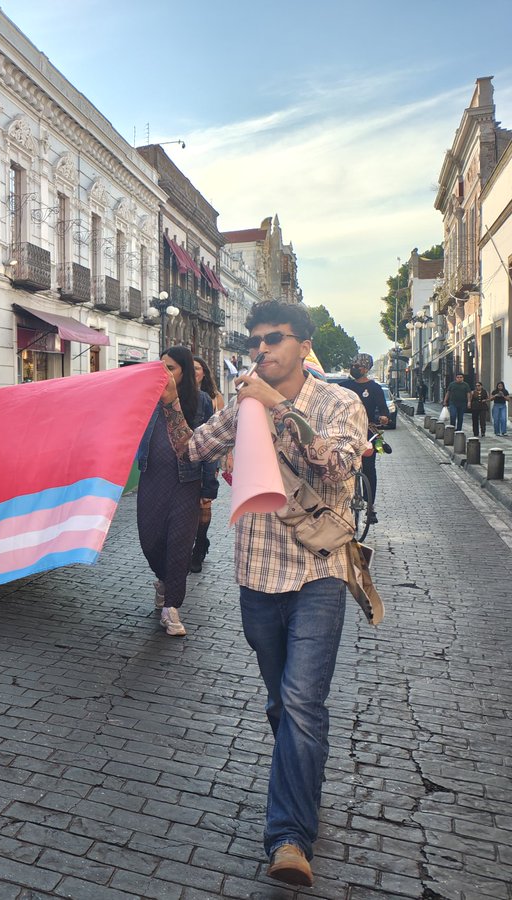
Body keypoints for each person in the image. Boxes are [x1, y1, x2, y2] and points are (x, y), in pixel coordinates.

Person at [156, 301, 368, 887]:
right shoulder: (243, 399)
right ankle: (303, 782)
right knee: (283, 708)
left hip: (318, 574)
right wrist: (173, 406)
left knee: (301, 703)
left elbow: (336, 468)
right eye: (255, 341)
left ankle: (289, 838)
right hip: (256, 577)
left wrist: (277, 407)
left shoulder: (339, 402)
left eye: (274, 339)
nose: (262, 349)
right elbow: (192, 450)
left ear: (304, 345)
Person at [135, 346, 217, 636]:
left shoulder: (201, 401)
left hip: (186, 482)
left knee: (180, 545)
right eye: (161, 367)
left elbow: (209, 448)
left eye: (171, 368)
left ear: (183, 372)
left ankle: (171, 608)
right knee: (150, 540)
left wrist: (208, 487)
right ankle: (163, 579)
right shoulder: (147, 398)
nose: (165, 373)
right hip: (151, 478)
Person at [337, 353, 388, 525]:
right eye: (352, 365)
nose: (354, 369)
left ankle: (370, 506)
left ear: (365, 369)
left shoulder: (375, 388)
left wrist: (383, 418)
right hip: (346, 431)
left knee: (369, 468)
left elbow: (383, 409)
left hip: (367, 432)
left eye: (357, 366)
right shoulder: (344, 386)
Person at [190, 356, 225, 572]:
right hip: (192, 455)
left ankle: (200, 543)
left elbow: (222, 430)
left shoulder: (213, 397)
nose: (194, 372)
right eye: (190, 368)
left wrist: (226, 456)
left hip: (210, 454)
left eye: (197, 368)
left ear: (204, 372)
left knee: (204, 503)